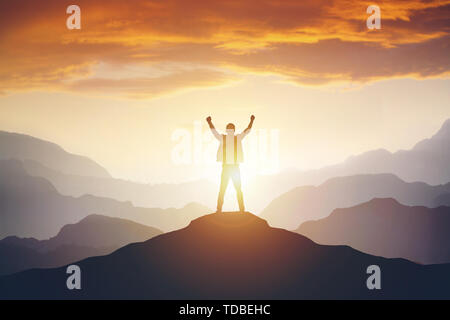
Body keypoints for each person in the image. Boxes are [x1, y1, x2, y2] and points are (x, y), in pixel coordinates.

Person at [206, 115, 255, 213]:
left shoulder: (222, 138)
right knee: (238, 189)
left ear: (227, 129)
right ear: (234, 129)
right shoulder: (238, 138)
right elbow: (247, 130)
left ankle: (219, 210)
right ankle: (242, 210)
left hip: (226, 168)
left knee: (222, 189)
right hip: (235, 168)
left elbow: (214, 131)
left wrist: (209, 122)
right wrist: (251, 120)